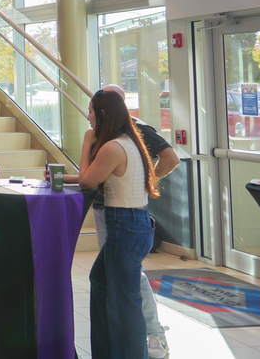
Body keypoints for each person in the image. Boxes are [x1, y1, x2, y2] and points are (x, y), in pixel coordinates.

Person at [79, 89, 160, 359]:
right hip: (132, 224)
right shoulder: (128, 141)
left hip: (125, 226)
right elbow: (95, 176)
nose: (87, 116)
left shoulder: (112, 147)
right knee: (99, 280)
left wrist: (86, 141)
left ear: (102, 114)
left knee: (124, 304)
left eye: (90, 111)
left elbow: (86, 181)